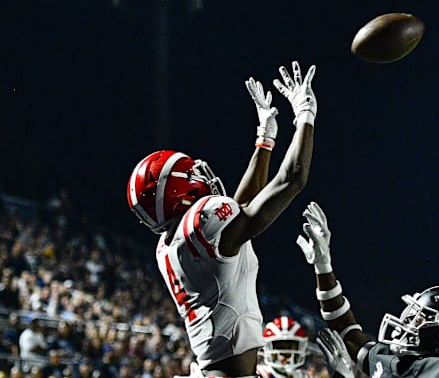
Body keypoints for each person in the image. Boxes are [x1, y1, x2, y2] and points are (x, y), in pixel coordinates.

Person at [127, 61, 318, 378]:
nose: (198, 175)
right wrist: (305, 117)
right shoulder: (205, 223)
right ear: (177, 192)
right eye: (189, 175)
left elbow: (240, 209)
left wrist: (265, 140)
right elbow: (292, 180)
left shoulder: (170, 244)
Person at [295, 202, 439, 378]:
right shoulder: (403, 365)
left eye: (420, 318)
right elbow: (347, 334)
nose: (406, 322)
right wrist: (323, 266)